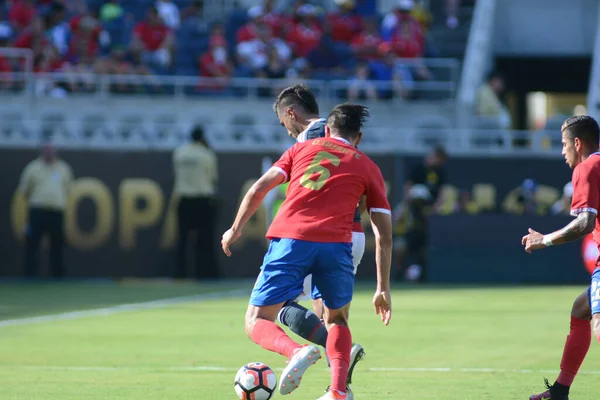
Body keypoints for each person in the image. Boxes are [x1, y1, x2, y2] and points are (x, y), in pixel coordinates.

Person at [221, 103, 393, 400]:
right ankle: (338, 391)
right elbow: (384, 236)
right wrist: (383, 288)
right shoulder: (368, 166)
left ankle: (296, 351)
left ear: (327, 130)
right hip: (338, 243)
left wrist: (235, 229)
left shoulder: (301, 149)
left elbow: (259, 189)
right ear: (359, 138)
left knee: (257, 319)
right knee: (336, 319)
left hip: (291, 238)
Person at [271, 84, 367, 397]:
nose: (284, 130)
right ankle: (339, 386)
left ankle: (335, 364)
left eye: (282, 122)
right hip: (348, 233)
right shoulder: (337, 132)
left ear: (290, 113)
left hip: (322, 234)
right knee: (331, 315)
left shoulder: (313, 138)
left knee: (280, 304)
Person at [522, 115, 600, 400]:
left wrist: (545, 240)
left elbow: (584, 224)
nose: (562, 151)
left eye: (564, 144)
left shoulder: (587, 168)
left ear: (577, 143)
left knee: (599, 324)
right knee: (582, 308)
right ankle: (560, 391)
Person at [18, 143, 73, 278]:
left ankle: (57, 275)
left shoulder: (63, 168)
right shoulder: (32, 168)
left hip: (56, 211)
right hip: (37, 211)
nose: (49, 153)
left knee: (57, 244)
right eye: (47, 150)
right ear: (42, 152)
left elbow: (68, 189)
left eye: (52, 151)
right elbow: (25, 191)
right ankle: (30, 275)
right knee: (33, 243)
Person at [172, 126, 219, 280]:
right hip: (202, 200)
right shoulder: (207, 154)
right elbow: (212, 178)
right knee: (204, 240)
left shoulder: (179, 153)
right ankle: (204, 274)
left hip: (184, 199)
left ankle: (180, 274)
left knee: (182, 240)